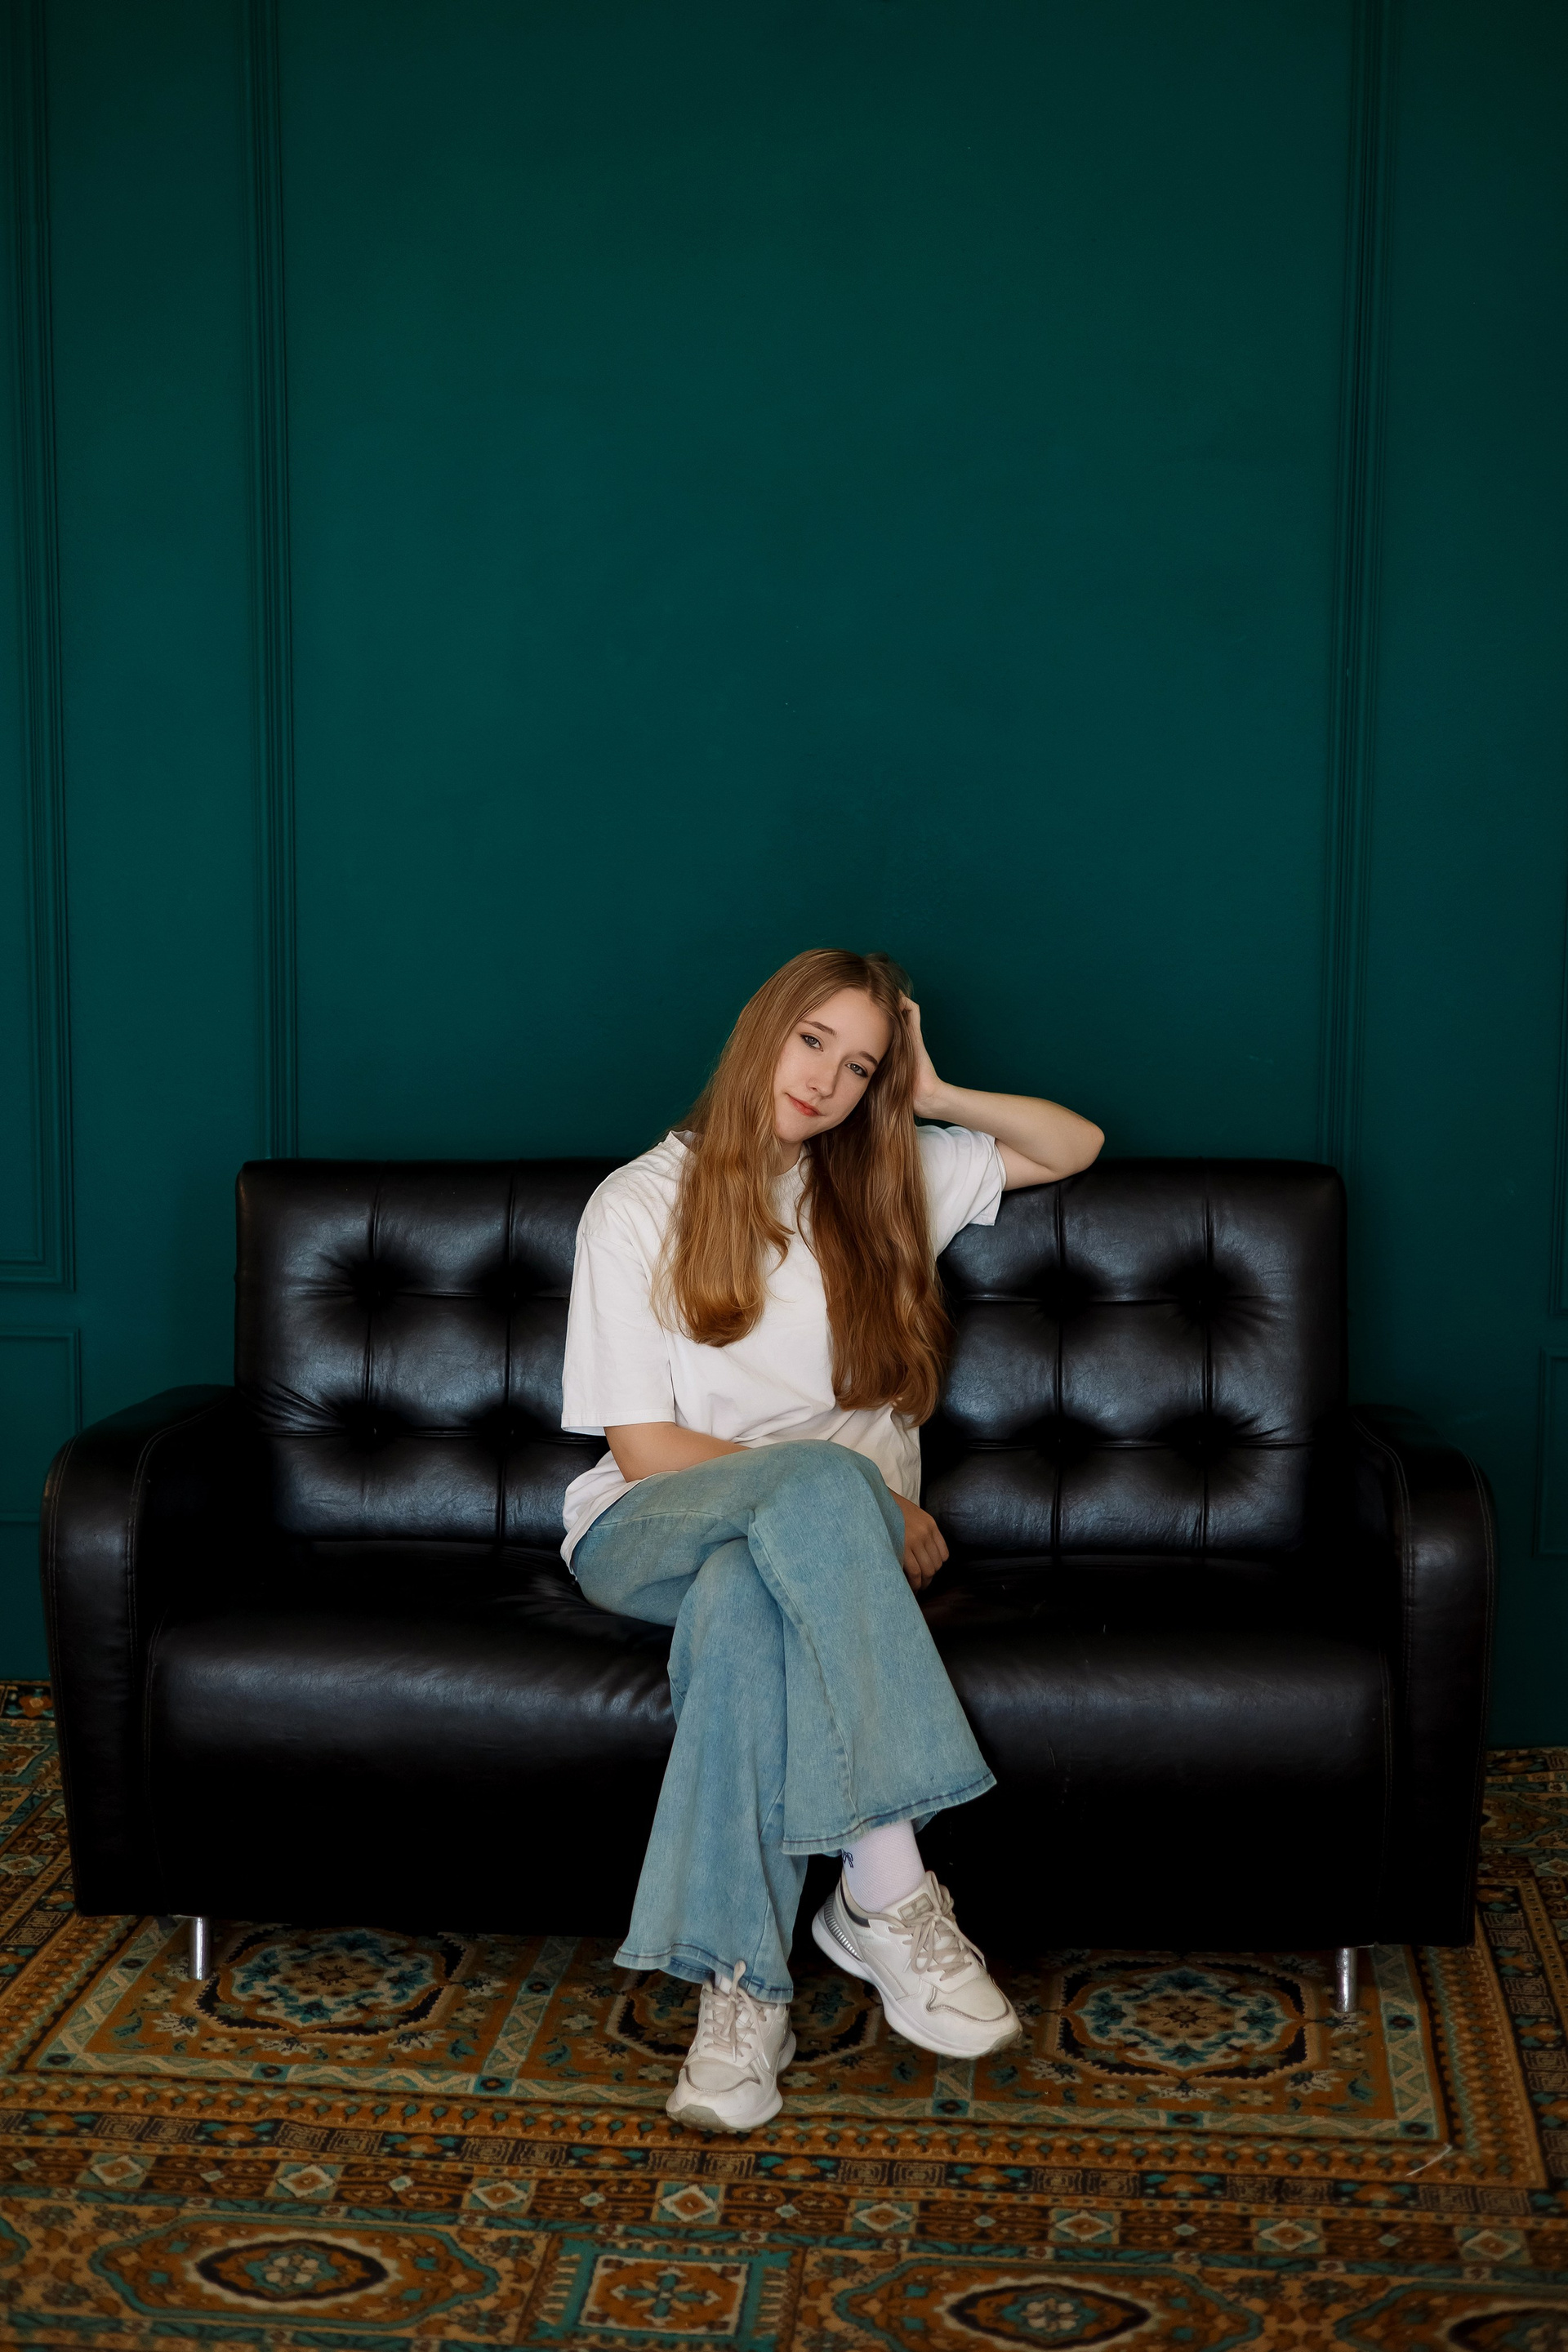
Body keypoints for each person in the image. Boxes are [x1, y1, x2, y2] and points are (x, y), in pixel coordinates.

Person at [559, 948, 1103, 2132]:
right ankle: (887, 1888)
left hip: (785, 1563)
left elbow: (1075, 1146)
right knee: (810, 1490)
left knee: (747, 1605)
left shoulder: (887, 1181)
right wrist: (857, 1494)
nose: (826, 1081)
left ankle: (742, 1995)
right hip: (648, 1529)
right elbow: (643, 1450)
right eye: (814, 1042)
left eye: (860, 1067)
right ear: (764, 1029)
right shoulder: (638, 1203)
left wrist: (932, 1091)